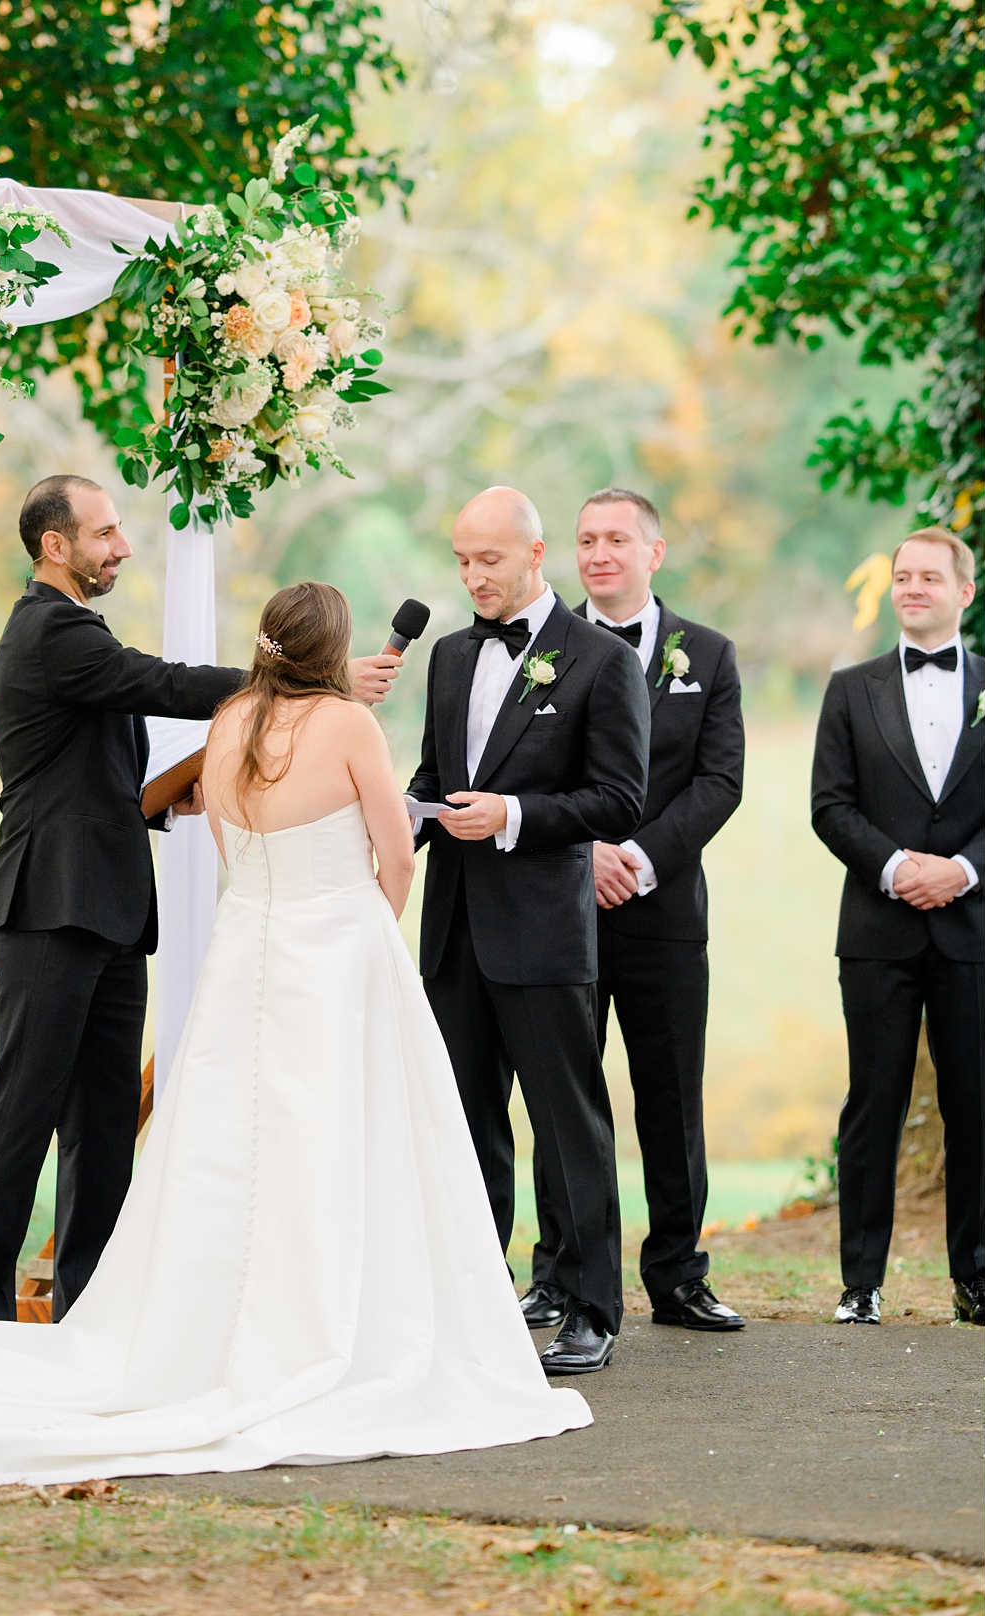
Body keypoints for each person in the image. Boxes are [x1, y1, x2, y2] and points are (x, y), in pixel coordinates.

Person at [0, 583, 589, 1482]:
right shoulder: (350, 726)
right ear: (333, 649)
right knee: (345, 1139)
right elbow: (397, 852)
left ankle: (204, 1329)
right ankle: (337, 1326)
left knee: (229, 1149)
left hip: (244, 956)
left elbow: (228, 856)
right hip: (336, 952)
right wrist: (372, 927)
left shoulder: (228, 728)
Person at [0, 474, 399, 1322]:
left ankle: (87, 1310)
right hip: (47, 909)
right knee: (23, 1110)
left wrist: (181, 789)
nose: (122, 546)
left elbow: (109, 793)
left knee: (100, 1122)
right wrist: (308, 678)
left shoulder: (74, 634)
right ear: (55, 545)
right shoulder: (51, 632)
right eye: (106, 532)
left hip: (111, 912)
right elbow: (164, 684)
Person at [410, 487, 649, 1374]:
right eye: (463, 561)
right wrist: (405, 812)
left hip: (544, 929)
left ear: (535, 554)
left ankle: (592, 1307)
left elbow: (620, 798)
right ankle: (477, 1295)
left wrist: (511, 813)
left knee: (567, 1121)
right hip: (455, 927)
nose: (473, 577)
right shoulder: (444, 657)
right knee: (467, 1121)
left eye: (490, 561)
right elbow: (437, 775)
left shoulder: (598, 660)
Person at [517, 487, 746, 1335]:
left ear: (655, 552)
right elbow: (525, 771)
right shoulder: (542, 650)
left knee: (670, 1097)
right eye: (586, 540)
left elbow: (720, 783)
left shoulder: (710, 656)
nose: (600, 553)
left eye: (618, 539)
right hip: (559, 910)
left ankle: (680, 1275)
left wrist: (640, 858)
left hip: (664, 912)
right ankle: (559, 1273)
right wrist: (588, 853)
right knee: (562, 1095)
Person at [809, 527, 985, 1325]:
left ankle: (975, 1277)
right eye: (903, 577)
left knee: (973, 1105)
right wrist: (896, 868)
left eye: (928, 577)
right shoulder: (852, 689)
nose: (912, 587)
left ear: (964, 592)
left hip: (971, 926)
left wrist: (964, 870)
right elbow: (829, 806)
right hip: (877, 931)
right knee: (872, 1103)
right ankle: (861, 1284)